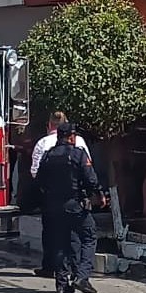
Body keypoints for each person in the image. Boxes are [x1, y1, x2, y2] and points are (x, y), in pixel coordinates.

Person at [36, 122, 105, 293]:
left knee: (59, 243)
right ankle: (82, 277)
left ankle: (62, 284)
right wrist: (98, 194)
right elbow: (91, 179)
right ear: (72, 137)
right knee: (89, 237)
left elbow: (39, 180)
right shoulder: (78, 154)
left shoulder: (48, 155)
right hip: (74, 204)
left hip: (53, 206)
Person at [30, 111, 91, 277]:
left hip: (51, 197)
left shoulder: (43, 143)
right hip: (75, 196)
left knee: (52, 233)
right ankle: (75, 271)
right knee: (75, 235)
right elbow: (88, 167)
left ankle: (52, 269)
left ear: (49, 125)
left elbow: (35, 172)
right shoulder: (79, 142)